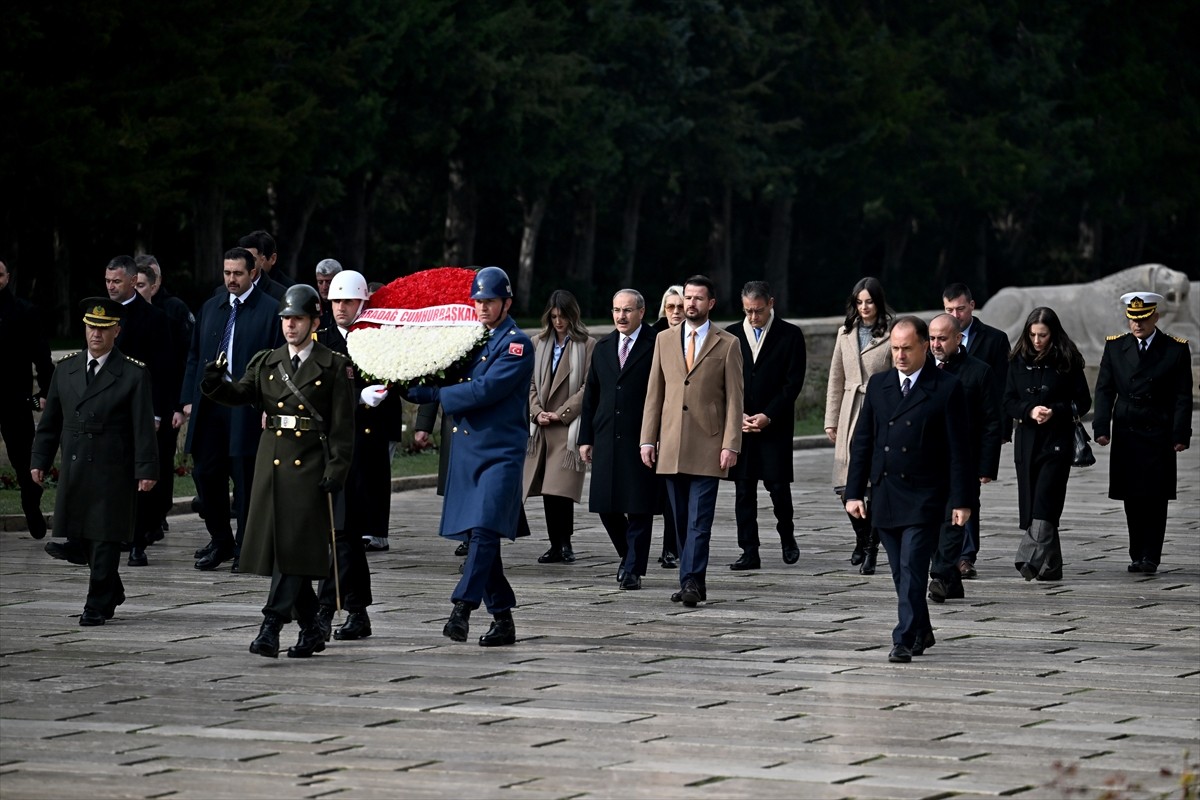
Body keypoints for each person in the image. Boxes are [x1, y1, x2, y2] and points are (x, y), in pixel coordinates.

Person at [201, 284, 355, 658]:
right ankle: (311, 628)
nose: (290, 326)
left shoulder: (334, 365)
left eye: (298, 319)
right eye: (286, 318)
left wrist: (336, 470)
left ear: (314, 321)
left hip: (311, 466)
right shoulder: (267, 362)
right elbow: (240, 395)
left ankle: (270, 625)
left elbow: (342, 428)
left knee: (292, 548)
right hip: (272, 464)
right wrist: (213, 382)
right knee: (285, 552)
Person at [404, 266, 534, 647]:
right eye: (477, 301)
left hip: (499, 453)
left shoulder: (516, 344)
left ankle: (461, 609)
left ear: (506, 303)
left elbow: (485, 390)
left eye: (489, 301)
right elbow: (448, 370)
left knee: (483, 530)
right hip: (468, 452)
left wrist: (434, 397)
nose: (481, 307)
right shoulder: (472, 339)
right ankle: (503, 619)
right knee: (483, 536)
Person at [845, 316, 973, 663]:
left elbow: (960, 449)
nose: (899, 355)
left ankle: (902, 638)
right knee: (901, 573)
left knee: (914, 567)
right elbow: (863, 442)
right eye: (895, 348)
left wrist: (962, 500)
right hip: (885, 495)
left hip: (925, 496)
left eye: (907, 348)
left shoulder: (945, 387)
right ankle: (922, 629)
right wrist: (854, 492)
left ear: (924, 347)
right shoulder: (880, 385)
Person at [31, 298, 158, 626]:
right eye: (91, 327)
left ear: (117, 330)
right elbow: (51, 421)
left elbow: (143, 426)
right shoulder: (67, 368)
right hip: (76, 465)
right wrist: (40, 460)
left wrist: (146, 468)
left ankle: (97, 604)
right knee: (82, 536)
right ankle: (111, 587)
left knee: (104, 537)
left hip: (112, 465)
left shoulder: (133, 373)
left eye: (103, 328)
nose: (96, 334)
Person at [640, 274, 743, 607]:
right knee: (681, 519)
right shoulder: (664, 340)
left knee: (700, 520)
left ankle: (691, 582)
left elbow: (735, 399)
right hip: (670, 444)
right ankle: (692, 580)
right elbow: (654, 393)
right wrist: (647, 439)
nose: (691, 304)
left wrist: (731, 443)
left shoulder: (727, 343)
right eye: (687, 298)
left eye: (698, 298)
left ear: (710, 303)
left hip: (709, 444)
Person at [181, 247, 283, 572]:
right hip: (210, 404)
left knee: (245, 477)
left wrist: (270, 403)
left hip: (246, 405)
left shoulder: (270, 310)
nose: (231, 279)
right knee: (206, 473)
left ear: (253, 273)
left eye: (237, 273)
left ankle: (245, 547)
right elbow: (195, 355)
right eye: (226, 273)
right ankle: (220, 539)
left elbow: (276, 361)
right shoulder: (212, 307)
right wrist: (188, 397)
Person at [314, 269, 398, 641]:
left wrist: (370, 399)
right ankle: (356, 612)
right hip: (327, 447)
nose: (341, 308)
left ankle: (325, 611)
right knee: (340, 534)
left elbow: (393, 382)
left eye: (348, 301)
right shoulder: (323, 339)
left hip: (361, 451)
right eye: (335, 301)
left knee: (344, 532)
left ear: (363, 302)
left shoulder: (376, 339)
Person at [1093, 291, 1193, 574]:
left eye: (1144, 319)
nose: (1138, 325)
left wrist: (1180, 434)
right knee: (1131, 495)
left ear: (1156, 318)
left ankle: (1151, 554)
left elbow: (1182, 396)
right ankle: (1137, 553)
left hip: (1157, 427)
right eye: (1133, 319)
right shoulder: (1115, 348)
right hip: (1127, 427)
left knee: (1155, 495)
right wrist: (1102, 427)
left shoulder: (1174, 349)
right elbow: (1104, 389)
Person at [577, 289, 661, 590]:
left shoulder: (658, 344)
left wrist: (658, 436)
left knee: (639, 506)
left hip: (642, 438)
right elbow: (591, 395)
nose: (621, 316)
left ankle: (633, 569)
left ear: (641, 312)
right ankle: (629, 556)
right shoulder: (603, 347)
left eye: (627, 310)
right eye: (616, 310)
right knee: (605, 504)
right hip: (606, 436)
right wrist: (585, 437)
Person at [1003, 307, 1091, 582]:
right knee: (1033, 503)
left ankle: (1028, 557)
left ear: (1053, 334)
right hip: (1027, 442)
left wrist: (1055, 410)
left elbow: (1084, 402)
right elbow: (1007, 402)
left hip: (1057, 441)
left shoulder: (1068, 360)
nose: (1037, 340)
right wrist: (1029, 410)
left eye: (1042, 335)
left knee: (1045, 498)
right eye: (1032, 335)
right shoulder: (1017, 360)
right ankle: (1052, 566)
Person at [725, 280, 806, 570]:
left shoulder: (790, 335)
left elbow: (792, 382)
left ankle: (787, 535)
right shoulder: (732, 335)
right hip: (743, 424)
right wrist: (739, 416)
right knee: (743, 490)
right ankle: (749, 550)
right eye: (747, 311)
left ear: (770, 303)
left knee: (778, 487)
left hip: (775, 424)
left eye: (758, 310)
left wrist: (769, 415)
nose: (753, 317)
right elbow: (725, 382)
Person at [925, 314, 1002, 604]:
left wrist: (986, 466)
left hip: (964, 462)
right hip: (927, 462)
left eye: (942, 338)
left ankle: (941, 575)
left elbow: (992, 422)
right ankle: (952, 582)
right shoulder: (922, 370)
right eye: (932, 338)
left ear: (958, 339)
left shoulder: (979, 372)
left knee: (954, 521)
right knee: (931, 521)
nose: (935, 344)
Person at [824, 277, 893, 574]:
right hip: (850, 411)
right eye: (859, 302)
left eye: (869, 301)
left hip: (880, 412)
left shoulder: (892, 333)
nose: (864, 308)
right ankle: (862, 536)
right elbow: (835, 378)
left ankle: (872, 549)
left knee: (874, 484)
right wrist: (831, 419)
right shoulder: (845, 333)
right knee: (845, 485)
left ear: (878, 302)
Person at [942, 281, 1011, 577]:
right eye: (948, 309)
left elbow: (1003, 391)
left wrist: (996, 442)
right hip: (942, 435)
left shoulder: (994, 340)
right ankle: (945, 551)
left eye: (959, 308)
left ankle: (966, 555)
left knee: (968, 496)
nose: (955, 314)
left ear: (972, 305)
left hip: (975, 432)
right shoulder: (937, 341)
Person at [522, 289, 595, 564]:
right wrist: (537, 412)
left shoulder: (587, 345)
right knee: (547, 490)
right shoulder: (537, 343)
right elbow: (529, 383)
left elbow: (589, 386)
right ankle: (556, 544)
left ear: (572, 315)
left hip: (568, 427)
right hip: (541, 428)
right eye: (553, 316)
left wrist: (561, 413)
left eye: (562, 316)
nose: (558, 322)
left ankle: (565, 544)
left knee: (560, 488)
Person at [136, 255, 194, 539]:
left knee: (162, 460)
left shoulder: (174, 310)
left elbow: (183, 360)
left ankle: (158, 514)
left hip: (166, 397)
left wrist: (179, 404)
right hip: (139, 399)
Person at [0, 259, 55, 540]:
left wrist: (43, 393)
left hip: (16, 400)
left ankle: (31, 506)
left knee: (24, 460)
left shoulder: (24, 312)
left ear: (7, 277)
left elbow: (42, 356)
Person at [649, 284, 685, 569]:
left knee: (677, 492)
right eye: (670, 306)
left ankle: (671, 548)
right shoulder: (654, 337)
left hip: (685, 426)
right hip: (655, 424)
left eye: (680, 306)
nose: (675, 312)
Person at [231, 230, 286, 299]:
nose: (246, 265)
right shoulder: (221, 291)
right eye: (241, 259)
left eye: (252, 260)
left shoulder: (282, 294)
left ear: (262, 260)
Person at [314, 258, 342, 333]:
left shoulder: (345, 305)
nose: (324, 287)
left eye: (329, 282)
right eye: (320, 282)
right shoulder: (312, 304)